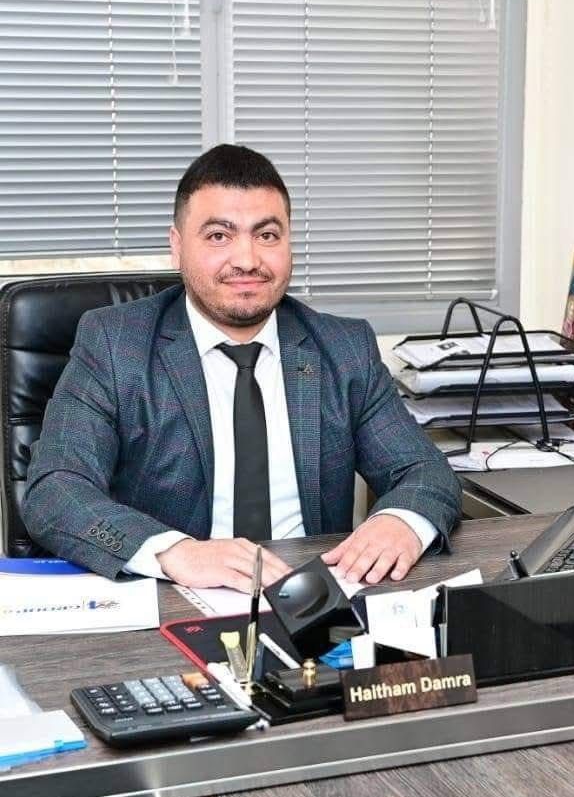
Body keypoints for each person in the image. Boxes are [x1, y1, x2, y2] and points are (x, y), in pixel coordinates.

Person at [22, 144, 461, 593]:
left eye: (267, 235)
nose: (247, 260)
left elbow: (424, 471)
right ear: (177, 246)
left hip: (310, 599)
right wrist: (174, 552)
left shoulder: (344, 348)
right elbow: (55, 489)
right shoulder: (116, 343)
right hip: (175, 597)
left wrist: (401, 521)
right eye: (219, 236)